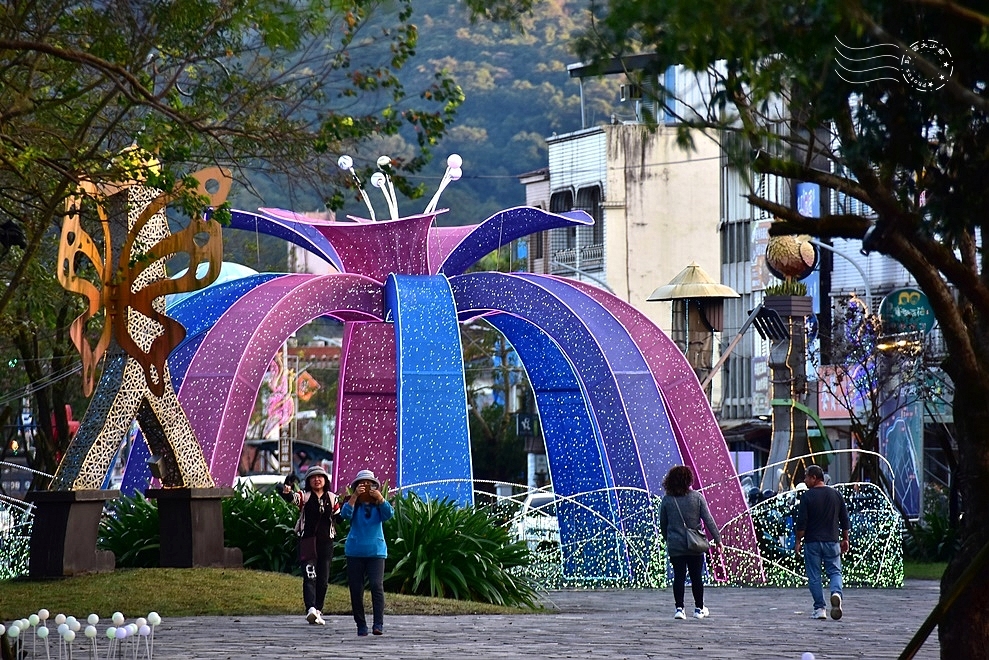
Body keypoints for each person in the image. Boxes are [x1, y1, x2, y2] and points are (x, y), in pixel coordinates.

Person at [659, 465, 722, 620]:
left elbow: (663, 524)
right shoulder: (697, 497)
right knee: (696, 577)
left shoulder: (667, 500)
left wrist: (668, 539)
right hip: (695, 544)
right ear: (689, 479)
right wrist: (718, 539)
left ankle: (679, 609)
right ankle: (699, 609)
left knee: (679, 577)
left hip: (676, 545)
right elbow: (708, 520)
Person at [282, 465, 341, 625]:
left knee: (323, 578)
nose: (317, 480)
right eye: (313, 477)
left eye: (320, 477)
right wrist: (287, 489)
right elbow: (291, 498)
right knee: (310, 576)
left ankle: (318, 610)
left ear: (325, 480)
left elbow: (339, 517)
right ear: (308, 481)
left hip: (326, 543)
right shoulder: (304, 496)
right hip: (307, 542)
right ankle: (311, 608)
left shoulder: (332, 498)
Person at [340, 469, 394, 636]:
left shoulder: (379, 505)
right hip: (355, 552)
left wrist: (380, 499)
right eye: (361, 484)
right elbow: (344, 515)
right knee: (356, 589)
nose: (365, 486)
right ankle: (361, 625)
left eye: (369, 484)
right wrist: (355, 497)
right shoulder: (352, 503)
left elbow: (389, 515)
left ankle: (378, 624)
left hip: (376, 552)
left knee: (377, 586)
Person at [795, 464, 850, 621]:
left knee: (814, 575)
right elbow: (844, 519)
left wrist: (798, 541)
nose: (805, 480)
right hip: (832, 541)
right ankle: (836, 593)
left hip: (812, 542)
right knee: (835, 571)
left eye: (806, 477)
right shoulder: (836, 495)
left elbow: (802, 523)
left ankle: (820, 609)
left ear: (814, 478)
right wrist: (845, 539)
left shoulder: (807, 497)